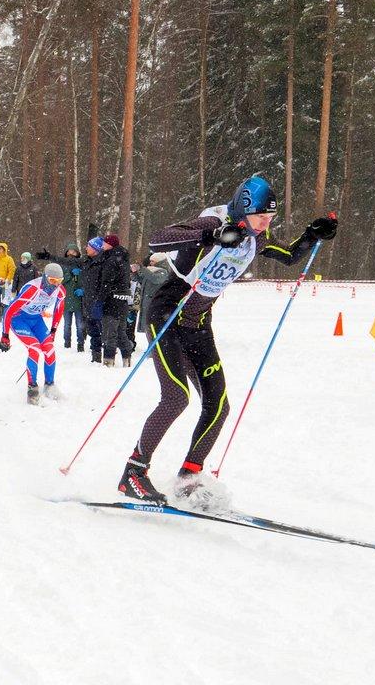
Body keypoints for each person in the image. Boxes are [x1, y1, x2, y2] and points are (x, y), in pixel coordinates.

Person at [118, 175, 337, 504]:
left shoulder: (256, 238)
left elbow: (290, 256)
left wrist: (312, 235)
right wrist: (212, 236)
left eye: (270, 219)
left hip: (199, 323)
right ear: (243, 210)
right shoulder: (215, 220)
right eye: (261, 217)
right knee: (176, 398)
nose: (266, 224)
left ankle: (188, 478)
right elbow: (157, 241)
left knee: (218, 405)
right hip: (167, 315)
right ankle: (133, 473)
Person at [0, 262, 66, 404]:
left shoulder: (60, 291)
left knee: (49, 350)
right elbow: (9, 311)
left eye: (59, 281)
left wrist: (54, 329)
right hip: (19, 319)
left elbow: (58, 309)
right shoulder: (32, 289)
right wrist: (5, 336)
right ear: (45, 278)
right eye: (52, 281)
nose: (55, 285)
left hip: (36, 320)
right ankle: (32, 387)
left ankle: (50, 385)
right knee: (35, 348)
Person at [36, 243, 85, 351]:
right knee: (67, 325)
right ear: (66, 252)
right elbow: (59, 281)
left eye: (74, 251)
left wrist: (83, 290)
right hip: (66, 299)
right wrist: (70, 274)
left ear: (77, 252)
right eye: (70, 251)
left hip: (79, 300)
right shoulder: (62, 265)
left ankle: (80, 344)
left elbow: (88, 281)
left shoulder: (82, 264)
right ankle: (67, 344)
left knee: (80, 325)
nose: (71, 253)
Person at [97, 234, 134, 367]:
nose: (102, 245)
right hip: (122, 299)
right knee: (120, 331)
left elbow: (106, 282)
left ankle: (108, 359)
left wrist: (100, 299)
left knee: (109, 331)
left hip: (112, 299)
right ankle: (127, 356)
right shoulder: (123, 258)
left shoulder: (112, 259)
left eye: (105, 243)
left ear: (110, 244)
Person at [136, 253, 171, 345]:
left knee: (153, 326)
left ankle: (155, 347)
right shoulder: (150, 271)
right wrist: (136, 272)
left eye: (153, 261)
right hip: (147, 302)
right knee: (148, 327)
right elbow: (142, 281)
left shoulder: (163, 271)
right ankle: (152, 346)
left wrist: (143, 269)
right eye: (150, 261)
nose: (151, 263)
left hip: (154, 302)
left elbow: (155, 279)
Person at [81, 237, 106, 363]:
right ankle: (95, 355)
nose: (86, 248)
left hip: (99, 302)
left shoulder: (103, 263)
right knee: (92, 330)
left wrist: (100, 299)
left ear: (95, 249)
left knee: (103, 330)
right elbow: (69, 261)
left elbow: (105, 284)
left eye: (89, 246)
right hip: (88, 301)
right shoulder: (86, 261)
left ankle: (108, 355)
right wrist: (50, 257)